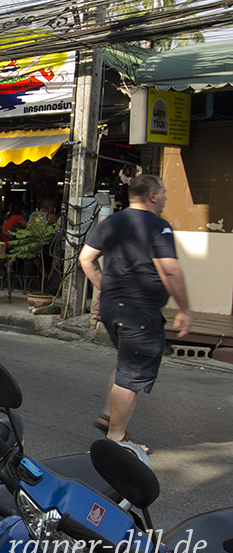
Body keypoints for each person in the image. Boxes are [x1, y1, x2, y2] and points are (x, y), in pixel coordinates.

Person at [79, 174, 191, 454]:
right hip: (139, 312)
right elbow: (171, 269)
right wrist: (185, 309)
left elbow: (86, 259)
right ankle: (116, 439)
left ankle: (109, 415)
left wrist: (105, 288)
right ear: (152, 195)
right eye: (163, 192)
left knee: (128, 363)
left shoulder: (112, 222)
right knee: (132, 375)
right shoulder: (157, 226)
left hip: (113, 309)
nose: (165, 197)